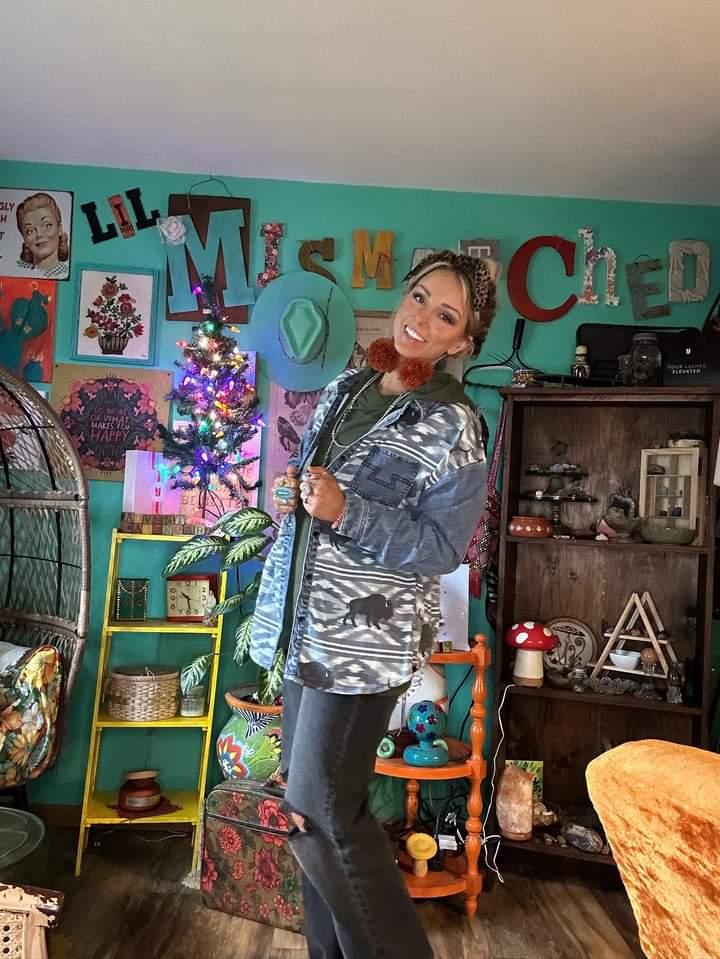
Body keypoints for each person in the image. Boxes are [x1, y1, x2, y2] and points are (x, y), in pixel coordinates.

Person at [250, 250, 496, 959]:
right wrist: (295, 496)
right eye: (419, 297)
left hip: (363, 647)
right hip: (303, 628)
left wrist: (347, 510)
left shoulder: (456, 425)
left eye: (445, 315)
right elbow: (320, 491)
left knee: (325, 813)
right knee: (308, 816)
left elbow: (440, 548)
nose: (421, 319)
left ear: (462, 341)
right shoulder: (349, 386)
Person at [15, 192, 70, 278]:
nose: (39, 234)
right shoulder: (17, 270)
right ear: (24, 238)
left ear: (59, 228)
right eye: (30, 231)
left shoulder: (65, 273)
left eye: (47, 225)